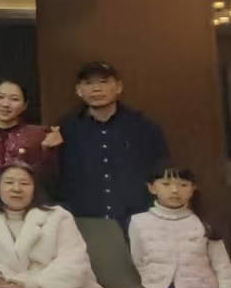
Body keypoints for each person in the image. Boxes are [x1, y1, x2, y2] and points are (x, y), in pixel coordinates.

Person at [54, 61, 170, 227]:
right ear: (79, 90)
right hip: (84, 221)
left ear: (118, 87)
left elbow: (161, 170)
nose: (96, 89)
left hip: (137, 220)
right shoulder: (66, 129)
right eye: (89, 83)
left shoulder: (143, 127)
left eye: (104, 82)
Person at [0, 78, 59, 209]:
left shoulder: (40, 135)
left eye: (14, 99)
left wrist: (48, 151)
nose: (5, 104)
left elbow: (50, 179)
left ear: (25, 105)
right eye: (0, 97)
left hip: (32, 210)